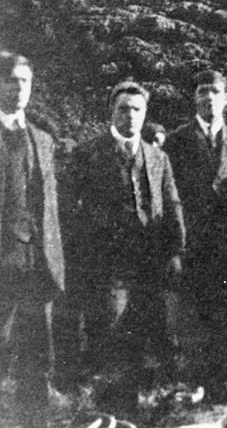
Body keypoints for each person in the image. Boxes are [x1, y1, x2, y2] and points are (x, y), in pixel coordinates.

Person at [70, 80, 185, 376]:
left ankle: (137, 404)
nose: (130, 116)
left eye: (137, 110)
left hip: (149, 259)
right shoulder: (88, 152)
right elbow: (69, 206)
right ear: (112, 111)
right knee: (109, 327)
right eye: (123, 109)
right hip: (108, 262)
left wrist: (174, 251)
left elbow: (172, 205)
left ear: (145, 113)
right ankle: (105, 403)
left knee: (145, 331)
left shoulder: (158, 157)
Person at [163, 70, 227, 399]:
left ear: (226, 98)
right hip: (191, 244)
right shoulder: (177, 141)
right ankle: (194, 384)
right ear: (194, 97)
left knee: (224, 313)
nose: (209, 98)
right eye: (203, 91)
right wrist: (175, 247)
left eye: (215, 92)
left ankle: (220, 383)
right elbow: (168, 195)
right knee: (192, 315)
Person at [0, 51, 66, 428]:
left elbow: (49, 210)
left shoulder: (42, 140)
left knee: (36, 361)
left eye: (23, 81)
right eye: (9, 81)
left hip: (35, 271)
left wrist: (53, 263)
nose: (17, 88)